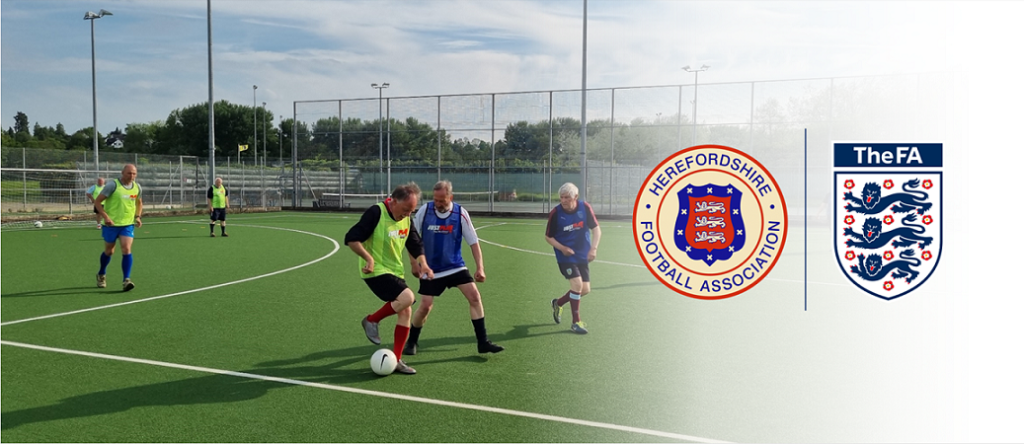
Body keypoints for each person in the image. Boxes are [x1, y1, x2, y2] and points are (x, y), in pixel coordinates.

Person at [404, 180, 504, 356]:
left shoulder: (460, 213)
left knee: (474, 297)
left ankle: (483, 342)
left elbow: (473, 242)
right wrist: (414, 263)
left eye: (442, 200)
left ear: (450, 197)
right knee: (426, 306)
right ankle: (412, 341)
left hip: (455, 267)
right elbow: (411, 238)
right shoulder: (425, 211)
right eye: (436, 199)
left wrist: (480, 268)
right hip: (431, 269)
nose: (438, 203)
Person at [345, 183, 433, 375]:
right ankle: (371, 320)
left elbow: (415, 243)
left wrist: (421, 264)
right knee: (407, 298)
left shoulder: (407, 218)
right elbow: (352, 238)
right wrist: (368, 258)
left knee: (405, 312)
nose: (408, 214)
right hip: (374, 272)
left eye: (412, 210)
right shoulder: (376, 212)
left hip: (395, 271)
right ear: (393, 201)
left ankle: (397, 360)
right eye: (405, 209)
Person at [545, 182, 601, 334]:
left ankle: (558, 303)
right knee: (577, 285)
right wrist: (563, 248)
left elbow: (596, 229)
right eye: (561, 197)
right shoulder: (556, 213)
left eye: (567, 197)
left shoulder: (585, 208)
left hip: (582, 255)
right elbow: (548, 237)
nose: (563, 200)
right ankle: (576, 323)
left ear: (575, 197)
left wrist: (593, 249)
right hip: (565, 257)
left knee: (585, 290)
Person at [94, 164, 143, 292]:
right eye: (129, 173)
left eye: (134, 173)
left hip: (127, 224)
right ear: (122, 173)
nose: (131, 176)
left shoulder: (137, 187)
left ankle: (126, 280)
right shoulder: (113, 185)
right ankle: (101, 274)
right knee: (109, 251)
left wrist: (137, 216)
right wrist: (106, 217)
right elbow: (97, 202)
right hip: (111, 225)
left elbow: (139, 202)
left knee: (126, 249)